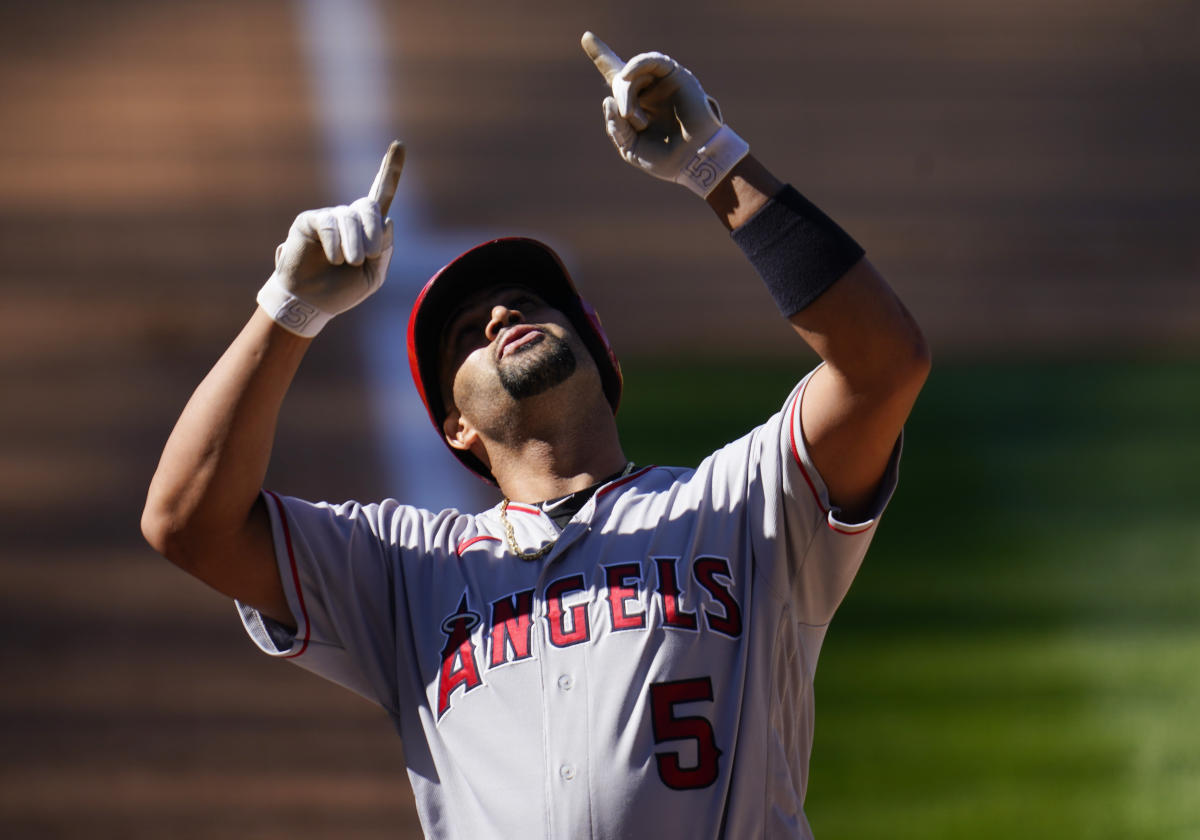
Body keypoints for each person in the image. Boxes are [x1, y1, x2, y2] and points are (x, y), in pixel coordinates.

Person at [142, 32, 929, 839]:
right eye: (464, 340)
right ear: (455, 427)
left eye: (528, 301)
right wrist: (288, 308)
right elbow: (185, 521)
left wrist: (713, 161)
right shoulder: (405, 574)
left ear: (601, 355)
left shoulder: (738, 509)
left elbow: (882, 365)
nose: (499, 317)